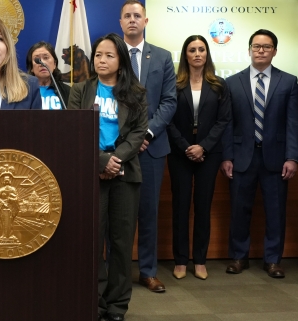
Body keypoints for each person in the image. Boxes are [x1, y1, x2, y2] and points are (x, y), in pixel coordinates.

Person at [68, 33, 148, 321]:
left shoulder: (136, 92)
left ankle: (117, 306)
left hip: (125, 175)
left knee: (122, 243)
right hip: (91, 173)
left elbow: (139, 132)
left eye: (109, 55)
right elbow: (74, 130)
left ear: (121, 61)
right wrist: (102, 160)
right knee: (92, 241)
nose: (102, 60)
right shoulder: (80, 90)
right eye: (98, 55)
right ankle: (96, 302)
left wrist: (116, 159)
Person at [222, 29, 298, 279]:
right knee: (239, 209)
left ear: (275, 51)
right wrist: (226, 156)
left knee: (276, 211)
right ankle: (238, 256)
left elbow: (293, 123)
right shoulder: (232, 82)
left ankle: (273, 260)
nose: (261, 51)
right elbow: (227, 123)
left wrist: (292, 157)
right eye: (256, 46)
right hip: (241, 157)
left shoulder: (288, 81)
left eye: (266, 47)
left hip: (276, 159)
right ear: (249, 50)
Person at [119, 0, 177, 293]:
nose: (132, 20)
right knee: (118, 214)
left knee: (149, 212)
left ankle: (148, 271)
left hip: (151, 148)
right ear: (120, 22)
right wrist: (127, 140)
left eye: (137, 15)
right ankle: (117, 272)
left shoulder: (163, 57)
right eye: (127, 16)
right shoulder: (110, 54)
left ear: (145, 21)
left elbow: (169, 101)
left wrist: (147, 134)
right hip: (117, 149)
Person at [166, 35, 231, 281]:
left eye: (201, 49)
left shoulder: (219, 85)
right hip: (179, 153)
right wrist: (186, 147)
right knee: (180, 207)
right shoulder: (174, 84)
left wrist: (203, 147)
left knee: (203, 207)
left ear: (207, 54)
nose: (197, 54)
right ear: (185, 54)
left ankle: (200, 260)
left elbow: (223, 120)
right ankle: (181, 260)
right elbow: (168, 120)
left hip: (209, 154)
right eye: (192, 50)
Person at [25, 41, 70, 109]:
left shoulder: (67, 91)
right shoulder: (23, 91)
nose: (42, 63)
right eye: (37, 59)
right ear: (31, 67)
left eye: (46, 58)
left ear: (54, 64)